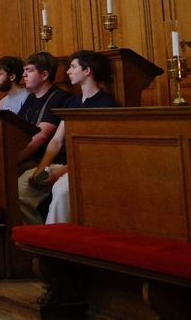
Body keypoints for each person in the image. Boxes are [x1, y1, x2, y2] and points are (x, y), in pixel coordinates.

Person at [19, 50, 118, 224]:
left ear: (87, 71)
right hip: (58, 164)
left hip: (83, 166)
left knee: (61, 190)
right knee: (20, 190)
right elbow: (56, 140)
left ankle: (53, 237)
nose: (68, 71)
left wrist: (62, 172)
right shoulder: (72, 102)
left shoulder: (106, 104)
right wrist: (41, 168)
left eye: (73, 67)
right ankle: (34, 235)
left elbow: (98, 150)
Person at [15, 51, 70, 172]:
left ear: (44, 75)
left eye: (29, 70)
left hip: (44, 161)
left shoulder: (59, 97)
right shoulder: (31, 97)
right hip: (29, 157)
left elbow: (41, 136)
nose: (23, 75)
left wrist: (12, 160)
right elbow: (15, 128)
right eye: (24, 70)